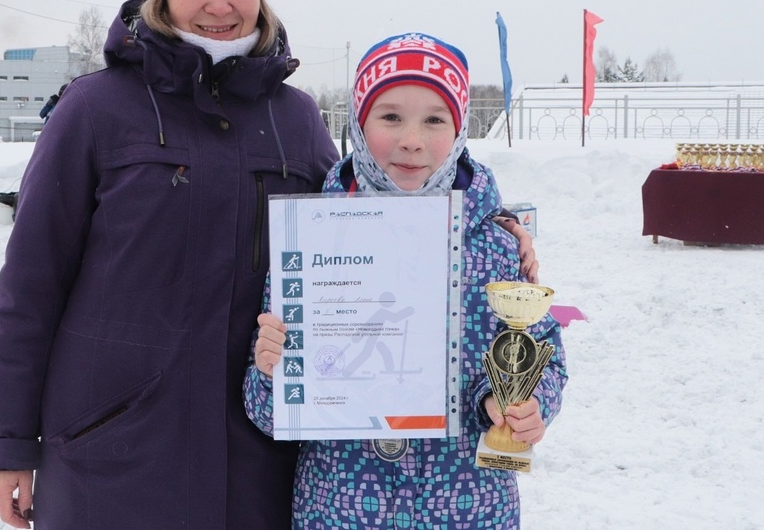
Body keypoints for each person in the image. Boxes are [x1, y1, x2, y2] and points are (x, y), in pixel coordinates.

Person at [0, 0, 340, 529]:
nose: (220, 1)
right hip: (110, 459)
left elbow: (367, 228)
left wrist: (488, 236)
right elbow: (30, 287)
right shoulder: (93, 112)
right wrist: (8, 445)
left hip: (254, 461)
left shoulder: (295, 117)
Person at [243, 32, 567, 529]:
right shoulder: (310, 242)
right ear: (358, 123)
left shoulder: (497, 247)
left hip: (468, 509)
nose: (411, 140)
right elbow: (269, 416)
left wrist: (519, 404)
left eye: (434, 120)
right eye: (390, 116)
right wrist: (272, 372)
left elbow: (541, 353)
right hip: (340, 508)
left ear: (459, 132)